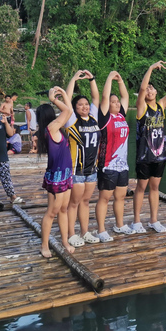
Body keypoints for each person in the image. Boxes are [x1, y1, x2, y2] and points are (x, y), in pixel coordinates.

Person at [132, 60, 166, 234]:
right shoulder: (141, 107)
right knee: (141, 187)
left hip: (159, 154)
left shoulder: (161, 106)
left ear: (157, 92)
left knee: (154, 188)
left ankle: (153, 220)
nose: (149, 90)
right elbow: (142, 89)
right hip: (145, 155)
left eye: (153, 88)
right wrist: (150, 68)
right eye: (147, 89)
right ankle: (137, 221)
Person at [36, 86, 75, 258]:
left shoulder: (57, 129)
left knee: (64, 209)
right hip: (57, 178)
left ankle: (65, 241)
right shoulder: (51, 128)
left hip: (66, 175)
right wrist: (54, 98)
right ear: (50, 116)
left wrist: (65, 94)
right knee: (52, 212)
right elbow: (67, 110)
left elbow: (69, 110)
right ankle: (44, 245)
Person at [64, 70, 101, 247]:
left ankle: (85, 232)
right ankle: (71, 234)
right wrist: (73, 79)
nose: (85, 107)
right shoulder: (71, 120)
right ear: (75, 108)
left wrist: (91, 79)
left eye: (86, 104)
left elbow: (96, 98)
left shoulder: (93, 118)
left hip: (92, 169)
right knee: (74, 203)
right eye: (80, 105)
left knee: (85, 201)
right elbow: (67, 99)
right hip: (76, 169)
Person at [94, 71, 132, 242]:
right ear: (107, 104)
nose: (117, 103)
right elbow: (104, 96)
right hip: (108, 164)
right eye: (113, 102)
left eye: (117, 102)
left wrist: (121, 80)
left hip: (122, 165)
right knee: (105, 198)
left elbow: (125, 95)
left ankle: (119, 224)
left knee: (121, 196)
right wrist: (109, 78)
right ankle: (101, 230)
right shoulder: (104, 118)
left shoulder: (122, 116)